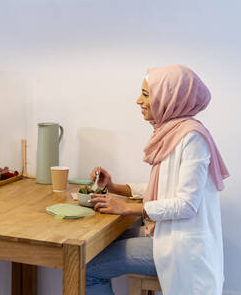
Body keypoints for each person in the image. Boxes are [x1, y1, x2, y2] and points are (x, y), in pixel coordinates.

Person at [85, 65, 229, 295]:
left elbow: (186, 204)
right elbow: (164, 188)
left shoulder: (192, 138)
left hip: (181, 247)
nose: (138, 101)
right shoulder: (174, 132)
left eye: (145, 94)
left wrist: (128, 208)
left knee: (87, 269)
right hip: (167, 234)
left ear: (169, 97)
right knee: (99, 247)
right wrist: (114, 188)